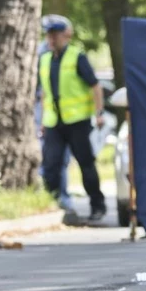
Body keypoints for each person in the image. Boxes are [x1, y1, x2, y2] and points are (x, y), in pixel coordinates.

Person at [38, 15, 108, 221]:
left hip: (77, 122)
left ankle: (97, 205)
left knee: (86, 164)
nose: (51, 40)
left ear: (65, 36)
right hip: (54, 122)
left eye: (55, 36)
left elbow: (95, 86)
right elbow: (44, 92)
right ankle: (54, 205)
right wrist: (43, 119)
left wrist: (99, 112)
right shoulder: (44, 60)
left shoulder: (77, 57)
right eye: (49, 36)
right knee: (50, 166)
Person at [34, 34, 72, 211]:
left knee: (59, 160)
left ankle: (60, 196)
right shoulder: (43, 55)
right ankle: (52, 196)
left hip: (59, 117)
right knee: (50, 160)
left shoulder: (66, 57)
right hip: (45, 116)